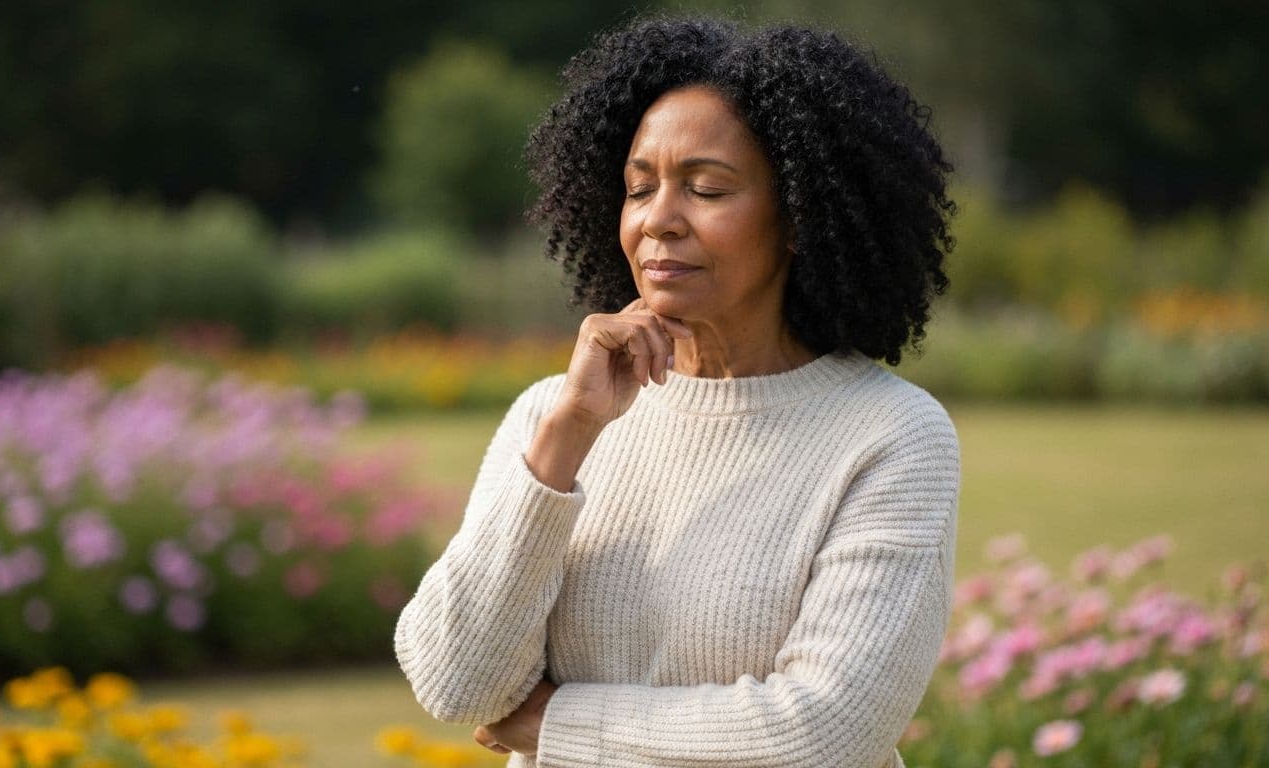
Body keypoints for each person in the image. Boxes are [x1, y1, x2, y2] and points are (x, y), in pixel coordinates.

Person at [394, 16, 960, 768]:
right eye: (638, 189)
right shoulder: (551, 417)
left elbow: (824, 732)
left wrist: (557, 723)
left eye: (706, 188)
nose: (659, 219)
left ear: (799, 215)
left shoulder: (890, 436)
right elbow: (455, 682)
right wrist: (569, 435)